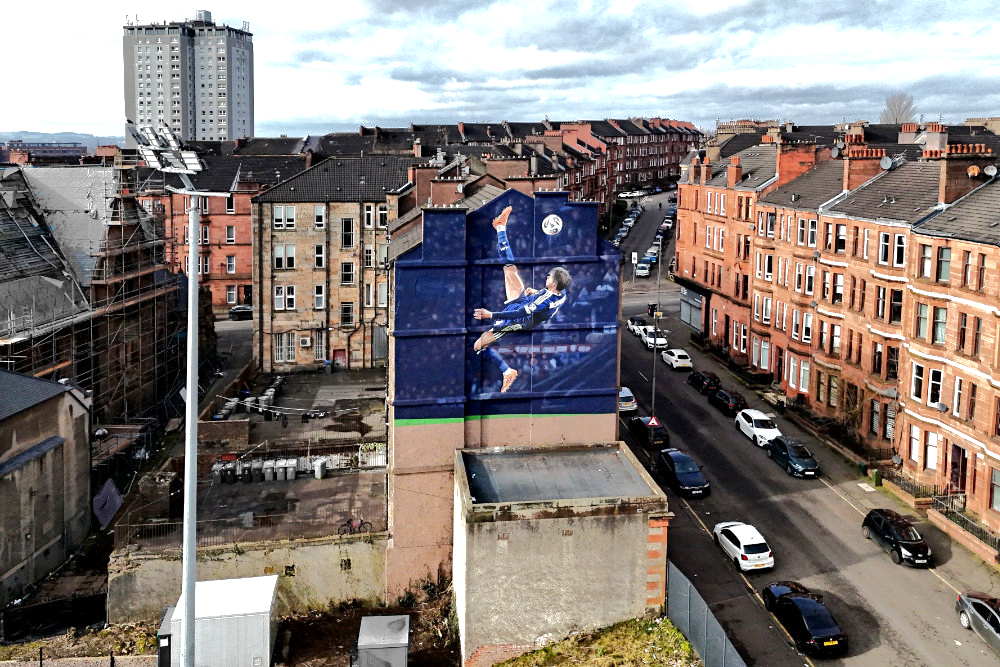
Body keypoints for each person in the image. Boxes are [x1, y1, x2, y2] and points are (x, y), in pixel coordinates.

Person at [473, 205, 571, 393]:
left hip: (520, 319)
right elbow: (549, 296)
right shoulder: (560, 291)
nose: (546, 277)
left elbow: (519, 313)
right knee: (509, 268)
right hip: (527, 304)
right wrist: (535, 292)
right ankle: (501, 228)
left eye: (549, 277)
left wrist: (490, 315)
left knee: (479, 345)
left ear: (554, 284)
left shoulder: (545, 300)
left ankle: (507, 371)